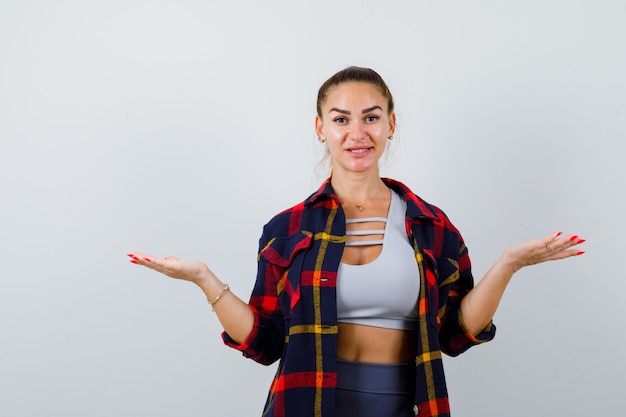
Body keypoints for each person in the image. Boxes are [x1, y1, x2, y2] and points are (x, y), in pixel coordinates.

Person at [127, 66, 585, 417]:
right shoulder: (286, 229)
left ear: (390, 124)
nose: (357, 132)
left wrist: (508, 265)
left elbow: (454, 333)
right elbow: (265, 343)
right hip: (306, 406)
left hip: (406, 404)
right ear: (320, 127)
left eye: (371, 117)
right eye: (341, 118)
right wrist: (205, 281)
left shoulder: (431, 225)